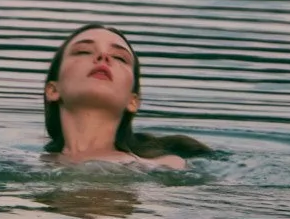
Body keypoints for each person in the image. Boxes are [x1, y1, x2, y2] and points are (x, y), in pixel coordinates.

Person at [41, 23, 212, 169]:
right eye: (83, 51)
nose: (103, 57)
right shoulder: (26, 162)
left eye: (119, 58)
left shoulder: (164, 166)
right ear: (53, 90)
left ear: (133, 101)